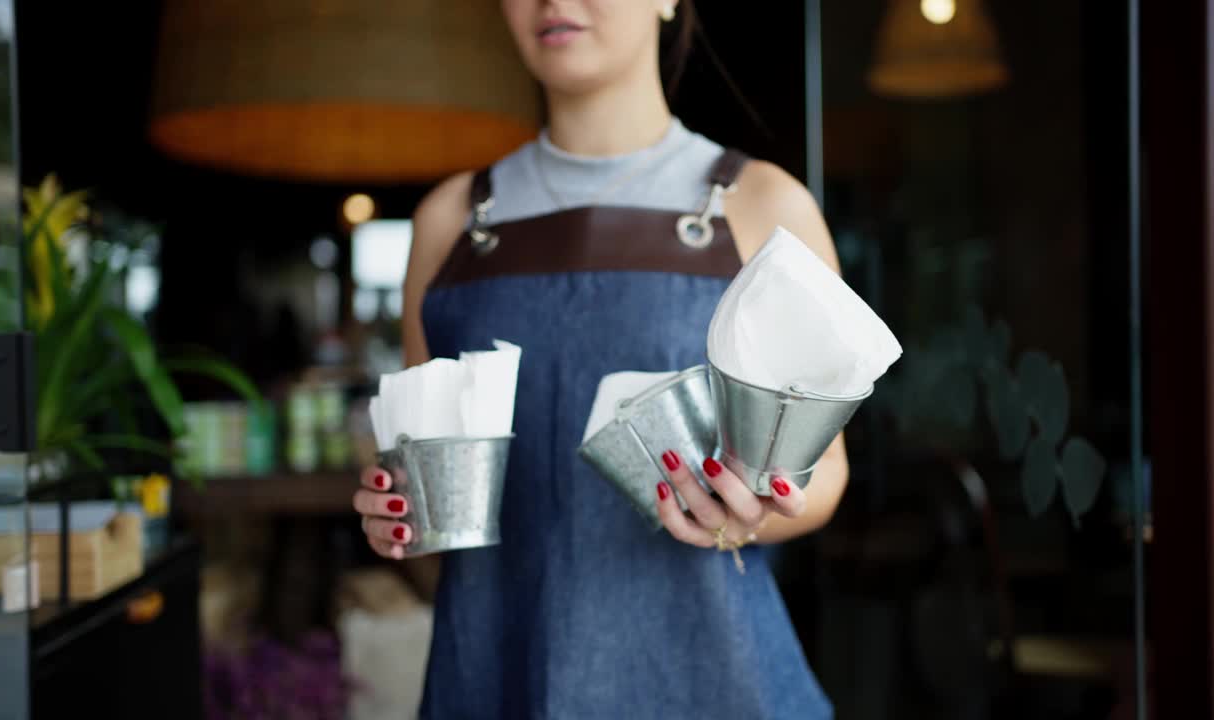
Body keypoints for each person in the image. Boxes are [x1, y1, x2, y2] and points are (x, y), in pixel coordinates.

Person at [352, 1, 849, 716]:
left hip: (714, 682)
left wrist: (748, 515)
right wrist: (397, 509)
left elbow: (827, 470)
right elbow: (425, 485)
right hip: (494, 673)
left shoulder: (765, 206)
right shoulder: (450, 221)